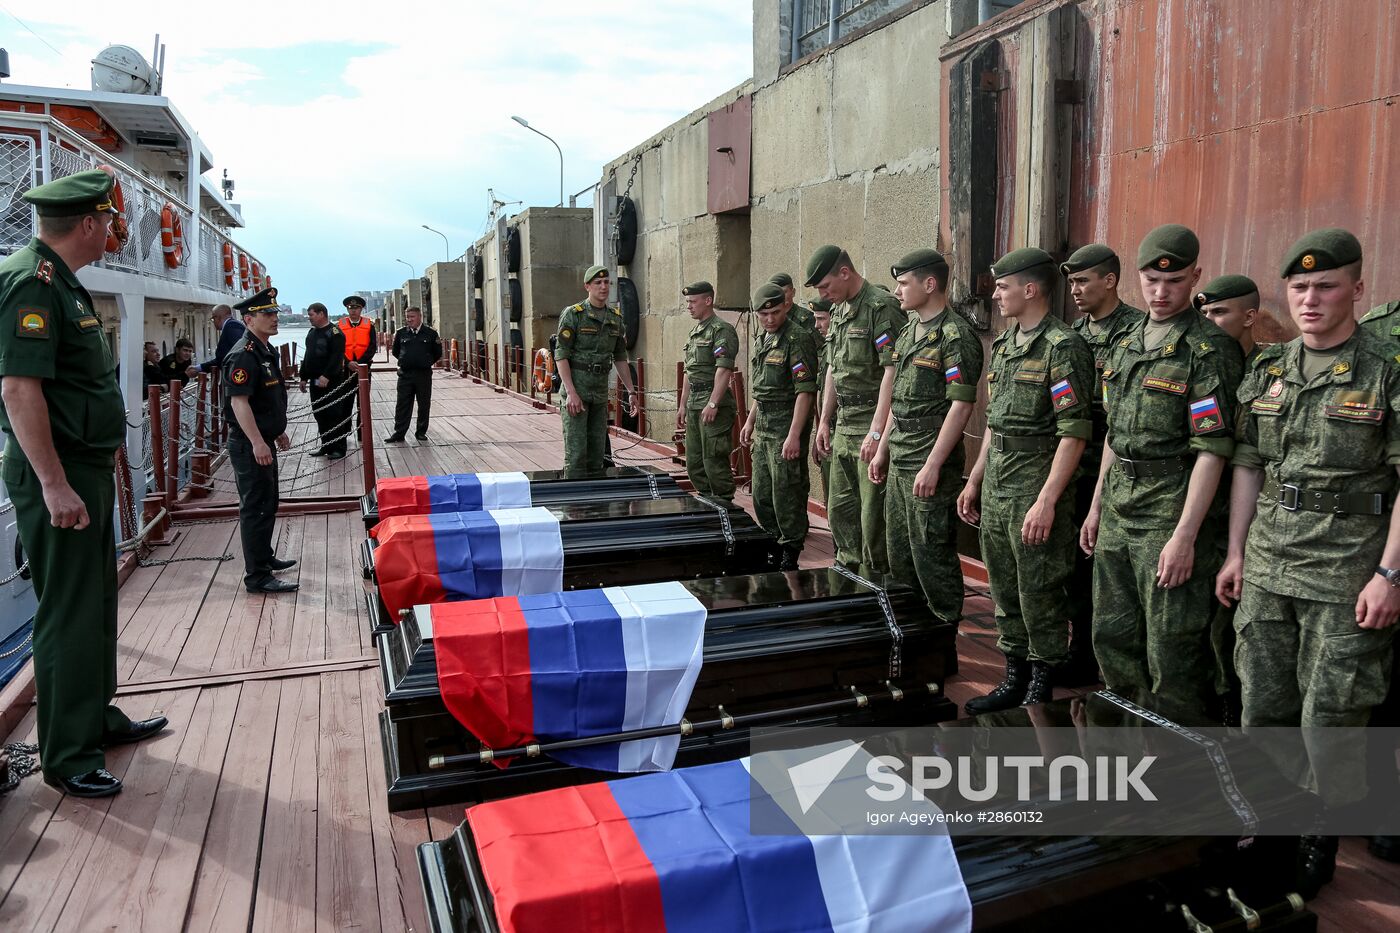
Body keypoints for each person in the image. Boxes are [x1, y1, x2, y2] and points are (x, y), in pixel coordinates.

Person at [1216, 229, 1398, 897]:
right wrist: (1236, 551)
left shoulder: (1387, 366)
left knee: (1333, 711)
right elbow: (1249, 464)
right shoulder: (1268, 368)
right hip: (1268, 560)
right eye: (1299, 288)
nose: (1312, 299)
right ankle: (1273, 818)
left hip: (1348, 569)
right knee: (1262, 703)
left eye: (1326, 286)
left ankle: (1321, 826)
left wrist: (1390, 573)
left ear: (1358, 288)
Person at [0, 169, 167, 798]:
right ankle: (68, 756)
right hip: (61, 475)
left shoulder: (62, 282)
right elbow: (19, 389)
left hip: (84, 470)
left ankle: (95, 717)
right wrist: (53, 483)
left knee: (95, 603)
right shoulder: (31, 282)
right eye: (112, 222)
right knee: (68, 611)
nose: (116, 232)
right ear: (92, 224)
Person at [1080, 224, 1244, 726]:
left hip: (1170, 508)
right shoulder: (1127, 340)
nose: (1161, 291)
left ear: (1195, 276)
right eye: (1151, 280)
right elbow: (1112, 430)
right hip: (1120, 501)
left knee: (1172, 646)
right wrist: (1096, 506)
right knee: (1113, 634)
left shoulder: (1208, 350)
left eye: (1173, 282)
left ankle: (1180, 769)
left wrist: (1185, 537)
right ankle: (1130, 751)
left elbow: (1214, 451)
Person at [957, 248, 1094, 712]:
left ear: (1030, 289)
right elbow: (995, 422)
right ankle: (1014, 674)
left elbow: (1074, 432)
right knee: (1005, 587)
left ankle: (1041, 683)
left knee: (1040, 590)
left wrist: (1048, 501)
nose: (995, 295)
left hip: (1035, 489)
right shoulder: (1008, 343)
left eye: (1002, 287)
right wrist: (975, 478)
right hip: (998, 484)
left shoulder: (1062, 346)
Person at [870, 249, 983, 626]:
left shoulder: (955, 337)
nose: (898, 291)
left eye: (904, 283)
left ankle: (943, 639)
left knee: (931, 555)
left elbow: (960, 407)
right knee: (900, 556)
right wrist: (882, 449)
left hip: (927, 461)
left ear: (929, 284)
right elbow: (898, 402)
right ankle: (912, 635)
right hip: (900, 456)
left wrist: (933, 465)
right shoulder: (907, 332)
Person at [1062, 243, 1145, 685]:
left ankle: (1113, 658)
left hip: (1114, 462)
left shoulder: (1134, 331)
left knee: (1110, 567)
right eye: (1071, 282)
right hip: (1077, 461)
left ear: (1109, 280)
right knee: (1078, 561)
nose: (1074, 290)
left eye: (1082, 281)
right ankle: (1081, 648)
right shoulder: (1075, 334)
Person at [806, 245, 903, 574]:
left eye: (826, 286)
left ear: (845, 273)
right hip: (843, 427)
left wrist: (877, 433)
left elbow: (892, 371)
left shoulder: (881, 306)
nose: (823, 295)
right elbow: (833, 367)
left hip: (868, 426)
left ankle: (878, 592)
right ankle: (848, 585)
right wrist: (824, 423)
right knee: (841, 514)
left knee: (872, 522)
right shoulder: (839, 311)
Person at [1193, 272, 1264, 722]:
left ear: (1250, 316)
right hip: (1204, 511)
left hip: (1250, 518)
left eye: (1219, 312)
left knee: (1233, 624)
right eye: (1204, 312)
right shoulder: (1199, 363)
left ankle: (1229, 706)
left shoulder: (1266, 371)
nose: (1208, 320)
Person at [222, 287, 298, 595]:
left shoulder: (264, 350)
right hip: (248, 444)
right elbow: (239, 402)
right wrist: (257, 441)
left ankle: (264, 558)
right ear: (249, 319)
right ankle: (257, 576)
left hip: (264, 438)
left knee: (269, 503)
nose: (274, 318)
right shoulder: (243, 354)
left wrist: (275, 430)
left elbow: (265, 399)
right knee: (255, 508)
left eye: (275, 313)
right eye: (267, 314)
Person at [739, 283, 819, 569]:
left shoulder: (797, 338)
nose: (770, 319)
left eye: (775, 312)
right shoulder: (763, 339)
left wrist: (795, 435)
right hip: (764, 425)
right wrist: (750, 422)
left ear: (785, 307)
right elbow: (762, 390)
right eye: (764, 314)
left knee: (786, 493)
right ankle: (772, 540)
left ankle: (790, 549)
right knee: (762, 493)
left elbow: (805, 391)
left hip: (787, 424)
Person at [554, 266, 641, 475]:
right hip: (577, 394)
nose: (603, 287)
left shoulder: (615, 319)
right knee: (576, 455)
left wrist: (631, 392)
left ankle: (594, 505)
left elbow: (620, 357)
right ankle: (573, 505)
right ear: (587, 287)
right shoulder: (574, 315)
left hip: (599, 395)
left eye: (606, 283)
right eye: (597, 283)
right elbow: (561, 355)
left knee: (597, 455)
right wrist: (571, 393)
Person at [675, 282, 738, 509]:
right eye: (687, 302)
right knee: (694, 462)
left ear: (708, 301)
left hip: (713, 404)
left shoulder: (721, 330)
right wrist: (682, 405)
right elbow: (689, 372)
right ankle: (706, 502)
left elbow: (724, 369)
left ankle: (724, 505)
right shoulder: (695, 332)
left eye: (693, 302)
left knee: (714, 461)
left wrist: (713, 402)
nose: (689, 307)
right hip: (694, 404)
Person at [385, 306, 443, 443]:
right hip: (405, 374)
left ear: (419, 317)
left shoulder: (430, 333)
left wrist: (426, 361)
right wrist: (406, 360)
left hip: (423, 375)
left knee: (423, 404)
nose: (409, 319)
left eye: (412, 317)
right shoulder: (401, 333)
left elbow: (437, 353)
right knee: (402, 404)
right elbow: (395, 351)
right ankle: (399, 433)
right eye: (408, 317)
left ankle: (421, 432)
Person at [298, 302, 348, 459]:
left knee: (334, 414)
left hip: (331, 382)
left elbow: (336, 358)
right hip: (314, 381)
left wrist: (327, 375)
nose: (309, 318)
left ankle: (339, 448)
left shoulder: (335, 333)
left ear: (321, 314)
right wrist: (303, 377)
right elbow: (308, 356)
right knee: (319, 414)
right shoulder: (312, 333)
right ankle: (326, 445)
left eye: (311, 315)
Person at [1195, 274, 1263, 367]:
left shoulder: (1269, 371)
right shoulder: (1192, 364)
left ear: (1248, 318)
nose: (1206, 320)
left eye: (1218, 312)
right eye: (1203, 312)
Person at [339, 294, 377, 440]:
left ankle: (362, 435)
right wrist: (348, 361)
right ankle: (344, 433)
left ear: (361, 309)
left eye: (356, 308)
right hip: (346, 369)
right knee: (345, 403)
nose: (353, 311)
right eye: (350, 308)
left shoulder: (369, 325)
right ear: (347, 309)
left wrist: (361, 362)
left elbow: (372, 346)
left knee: (363, 404)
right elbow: (338, 347)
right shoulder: (340, 325)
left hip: (363, 368)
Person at [811, 298, 834, 503]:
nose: (817, 325)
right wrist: (819, 430)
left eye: (821, 319)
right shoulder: (827, 349)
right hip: (828, 431)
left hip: (843, 429)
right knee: (832, 503)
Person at [198, 303, 244, 373]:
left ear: (218, 318)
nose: (213, 322)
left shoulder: (232, 326)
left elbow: (239, 353)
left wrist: (200, 368)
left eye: (213, 319)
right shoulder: (231, 325)